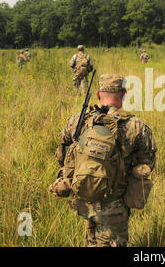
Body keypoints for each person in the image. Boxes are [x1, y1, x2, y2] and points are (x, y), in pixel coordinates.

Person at [50, 74, 157, 247]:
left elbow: (62, 155)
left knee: (91, 241)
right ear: (123, 94)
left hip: (83, 197)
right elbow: (147, 163)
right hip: (115, 205)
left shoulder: (78, 121)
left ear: (99, 94)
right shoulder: (136, 126)